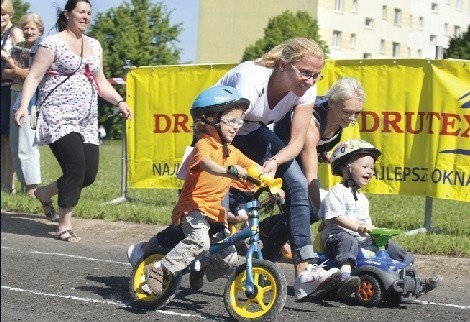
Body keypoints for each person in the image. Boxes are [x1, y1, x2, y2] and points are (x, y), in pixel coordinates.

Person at [215, 37, 341, 301]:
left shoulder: (306, 90)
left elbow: (296, 142)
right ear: (283, 65)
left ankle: (305, 272)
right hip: (217, 131)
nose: (309, 80)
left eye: (316, 75)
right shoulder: (252, 81)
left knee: (297, 185)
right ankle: (150, 248)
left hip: (251, 130)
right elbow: (226, 129)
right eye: (304, 73)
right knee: (203, 204)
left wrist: (274, 162)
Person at [14, 0, 131, 242]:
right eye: (81, 12)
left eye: (89, 13)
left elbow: (100, 81)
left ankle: (45, 193)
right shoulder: (52, 43)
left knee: (88, 175)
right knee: (75, 169)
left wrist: (119, 101)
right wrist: (24, 106)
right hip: (57, 116)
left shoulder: (95, 46)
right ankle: (64, 225)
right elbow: (34, 76)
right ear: (68, 14)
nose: (86, 16)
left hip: (86, 119)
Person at [141, 85, 261, 296]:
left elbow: (255, 169)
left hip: (216, 215)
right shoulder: (204, 144)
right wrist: (228, 172)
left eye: (239, 122)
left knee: (229, 260)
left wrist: (272, 182)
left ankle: (198, 265)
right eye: (231, 121)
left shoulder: (233, 151)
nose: (236, 127)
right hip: (193, 209)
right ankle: (158, 272)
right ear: (211, 120)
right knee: (199, 240)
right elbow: (205, 164)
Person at [258, 77, 366, 261]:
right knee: (308, 208)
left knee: (307, 210)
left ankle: (268, 229)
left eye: (357, 113)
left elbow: (314, 148)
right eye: (348, 112)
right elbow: (310, 178)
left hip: (295, 154)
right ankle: (266, 256)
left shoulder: (338, 119)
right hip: (273, 153)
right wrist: (327, 215)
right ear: (332, 103)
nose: (352, 119)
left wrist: (322, 153)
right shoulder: (312, 122)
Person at [318, 139, 417, 299]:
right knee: (347, 240)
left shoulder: (362, 198)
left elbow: (366, 224)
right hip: (336, 237)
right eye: (365, 167)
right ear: (346, 167)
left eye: (371, 168)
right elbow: (336, 217)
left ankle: (409, 271)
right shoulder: (337, 191)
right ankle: (344, 278)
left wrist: (375, 231)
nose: (370, 171)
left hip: (359, 239)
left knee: (387, 244)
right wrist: (358, 227)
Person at [8, 13, 44, 198]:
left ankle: (32, 187)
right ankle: (24, 185)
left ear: (40, 30)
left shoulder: (44, 48)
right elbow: (10, 72)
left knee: (28, 144)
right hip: (15, 95)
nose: (29, 32)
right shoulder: (17, 48)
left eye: (33, 28)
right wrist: (16, 71)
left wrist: (24, 74)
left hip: (32, 101)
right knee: (15, 145)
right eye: (26, 28)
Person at [1, 0, 23, 194]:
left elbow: (21, 62)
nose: (0, 17)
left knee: (9, 138)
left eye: (3, 13)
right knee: (2, 138)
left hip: (11, 89)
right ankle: (4, 183)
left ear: (10, 14)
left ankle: (10, 185)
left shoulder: (15, 33)